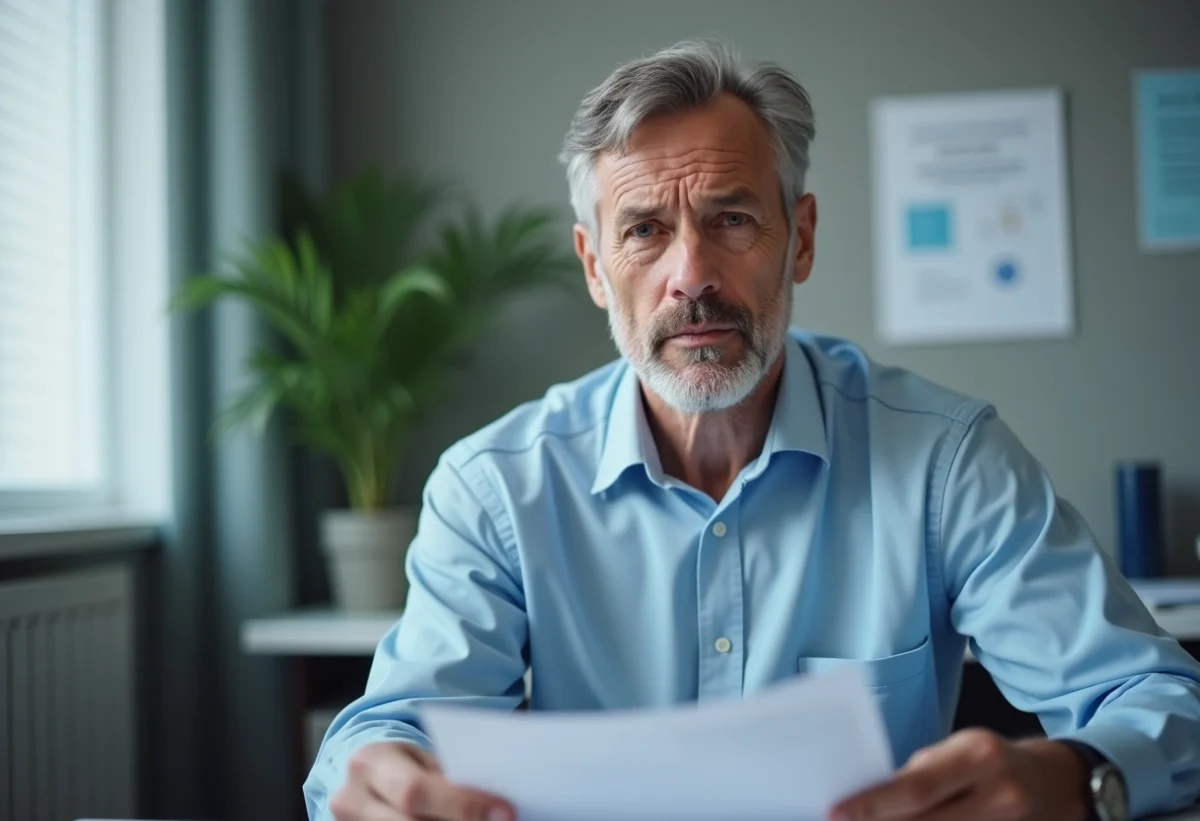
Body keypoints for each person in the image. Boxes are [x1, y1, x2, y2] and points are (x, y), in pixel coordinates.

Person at [306, 40, 1200, 821]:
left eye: (731, 219)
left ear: (799, 238)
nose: (691, 274)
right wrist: (380, 781)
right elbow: (388, 730)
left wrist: (1074, 778)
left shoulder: (944, 461)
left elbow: (1160, 699)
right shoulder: (495, 489)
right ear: (594, 267)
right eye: (644, 230)